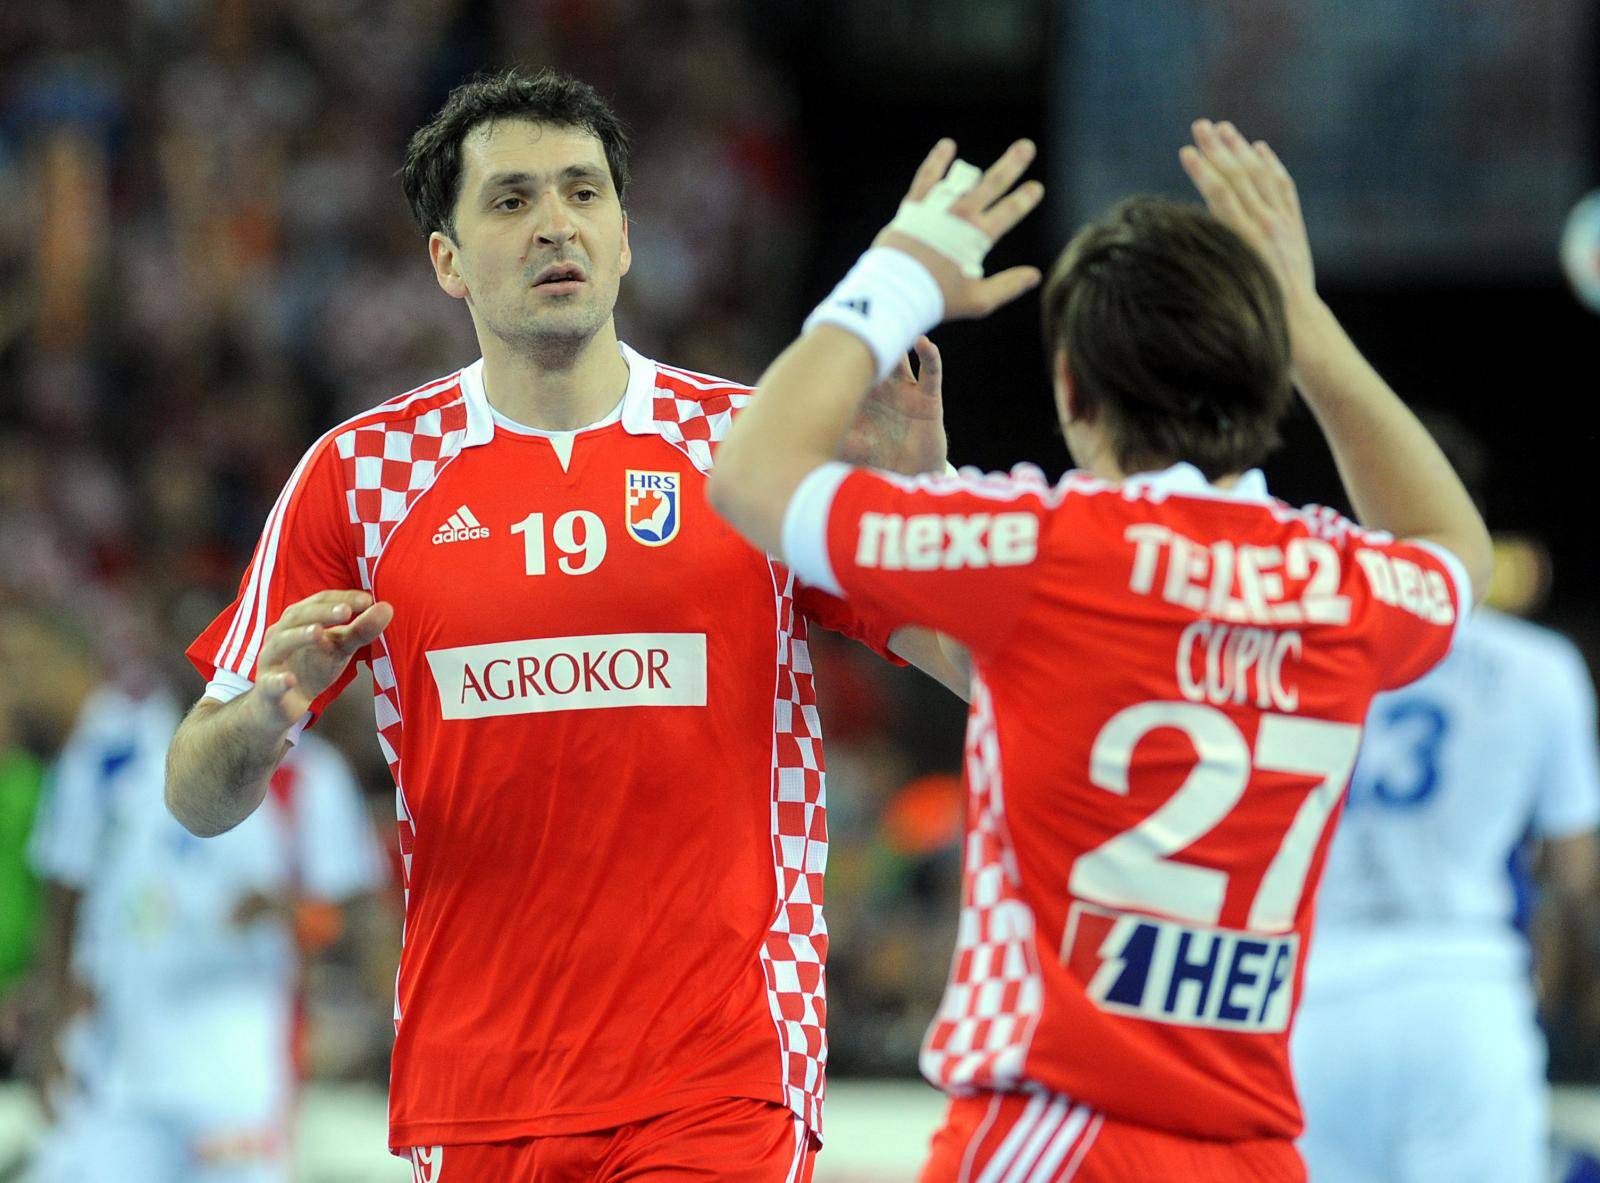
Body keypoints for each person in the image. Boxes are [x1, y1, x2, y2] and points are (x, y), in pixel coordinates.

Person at [164, 67, 963, 1181]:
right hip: (477, 1085)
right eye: (511, 201)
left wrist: (929, 502)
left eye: (583, 195)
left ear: (627, 237)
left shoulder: (750, 448)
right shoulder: (361, 474)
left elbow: (987, 672)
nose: (555, 225)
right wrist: (263, 711)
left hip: (720, 1070)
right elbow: (196, 794)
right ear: (445, 260)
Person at [707, 120, 1492, 1181]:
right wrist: (1301, 319)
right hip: (1251, 1147)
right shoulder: (1338, 586)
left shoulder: (1039, 546)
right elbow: (1454, 551)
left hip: (1056, 1131)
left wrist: (897, 273)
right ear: (1266, 382)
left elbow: (751, 476)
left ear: (1071, 391)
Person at [1292, 523, 1600, 1181]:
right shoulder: (1537, 663)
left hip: (1312, 992)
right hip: (1460, 982)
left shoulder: (1303, 647)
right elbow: (1574, 870)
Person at [25, 677, 385, 1183]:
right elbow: (64, 895)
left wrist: (284, 909)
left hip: (237, 1061)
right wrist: (50, 1031)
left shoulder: (308, 775)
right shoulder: (110, 756)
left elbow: (348, 919)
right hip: (118, 1054)